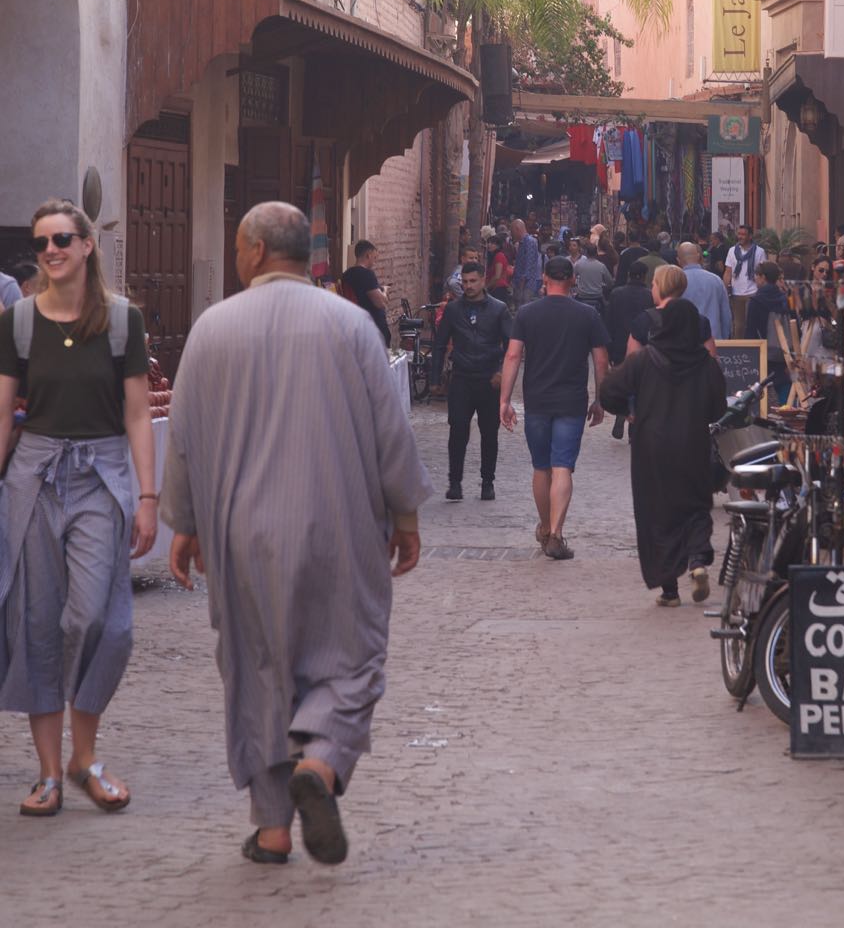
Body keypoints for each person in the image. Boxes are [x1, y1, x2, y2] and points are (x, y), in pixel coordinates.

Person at [162, 202, 431, 867]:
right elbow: (390, 430)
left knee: (256, 669)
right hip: (338, 523)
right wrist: (405, 514)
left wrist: (186, 525)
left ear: (252, 252)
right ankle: (323, 761)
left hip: (239, 532)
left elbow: (186, 441)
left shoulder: (211, 329)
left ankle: (273, 828)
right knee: (350, 656)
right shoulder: (349, 324)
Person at [0, 199, 157, 818]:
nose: (51, 251)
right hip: (33, 476)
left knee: (100, 620)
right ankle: (48, 773)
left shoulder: (122, 321)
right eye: (41, 243)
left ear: (88, 245)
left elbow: (138, 413)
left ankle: (83, 756)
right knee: (36, 621)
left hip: (101, 474)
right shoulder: (16, 321)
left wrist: (147, 496)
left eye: (63, 238)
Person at [600, 298, 728, 607]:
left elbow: (608, 392)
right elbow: (718, 408)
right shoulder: (706, 364)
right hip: (693, 445)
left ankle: (669, 590)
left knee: (658, 513)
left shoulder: (643, 360)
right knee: (696, 505)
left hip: (651, 447)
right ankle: (697, 558)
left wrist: (630, 410)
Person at [499, 256, 609, 560]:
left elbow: (512, 357)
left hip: (537, 399)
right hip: (572, 401)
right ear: (573, 279)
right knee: (562, 466)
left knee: (541, 466)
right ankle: (557, 534)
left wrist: (504, 400)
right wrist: (601, 399)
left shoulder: (527, 313)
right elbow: (601, 361)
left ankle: (546, 527)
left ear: (544, 278)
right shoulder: (588, 315)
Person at [431, 260, 512, 502]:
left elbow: (512, 346)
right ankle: (454, 482)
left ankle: (488, 482)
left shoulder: (499, 309)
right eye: (465, 282)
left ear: (483, 280)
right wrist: (435, 378)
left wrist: (502, 372)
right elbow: (439, 344)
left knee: (489, 433)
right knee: (457, 429)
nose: (468, 286)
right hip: (462, 378)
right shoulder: (454, 310)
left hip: (489, 379)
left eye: (473, 281)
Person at [627, 265, 717, 357]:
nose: (652, 289)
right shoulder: (700, 321)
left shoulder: (643, 321)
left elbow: (632, 362)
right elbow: (712, 361)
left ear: (660, 286)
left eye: (653, 285)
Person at [745, 261, 793, 404]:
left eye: (757, 276)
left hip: (764, 352)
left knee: (761, 391)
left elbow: (751, 331)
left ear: (763, 277)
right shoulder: (785, 298)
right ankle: (789, 415)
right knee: (785, 388)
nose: (755, 279)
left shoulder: (756, 301)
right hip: (785, 353)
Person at [677, 241, 732, 340]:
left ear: (678, 260)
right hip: (713, 339)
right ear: (698, 257)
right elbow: (725, 315)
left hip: (685, 342)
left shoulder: (676, 282)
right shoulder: (716, 280)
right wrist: (724, 340)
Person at [341, 240, 391, 346]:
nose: (374, 262)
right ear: (368, 255)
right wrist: (385, 290)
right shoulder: (367, 274)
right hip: (373, 328)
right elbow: (380, 303)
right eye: (374, 258)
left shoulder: (346, 274)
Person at [605, 262, 653, 366]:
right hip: (642, 348)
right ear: (645, 276)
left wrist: (609, 350)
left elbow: (609, 322)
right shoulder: (650, 296)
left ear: (628, 274)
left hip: (619, 346)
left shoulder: (616, 294)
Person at [724, 224, 767, 337]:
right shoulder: (732, 251)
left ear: (750, 236)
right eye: (739, 234)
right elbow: (728, 272)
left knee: (751, 324)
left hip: (753, 293)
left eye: (743, 234)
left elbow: (763, 273)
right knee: (738, 325)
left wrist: (761, 291)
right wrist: (724, 289)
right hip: (736, 293)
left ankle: (751, 350)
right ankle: (737, 350)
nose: (740, 237)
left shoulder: (759, 252)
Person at [572, 241, 614, 313]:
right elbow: (610, 282)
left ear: (586, 253)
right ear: (596, 253)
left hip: (582, 296)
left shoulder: (578, 264)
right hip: (598, 297)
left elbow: (572, 279)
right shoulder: (601, 266)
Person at [510, 218, 542, 308]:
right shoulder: (521, 244)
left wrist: (522, 283)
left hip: (525, 286)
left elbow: (529, 266)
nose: (511, 234)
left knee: (523, 309)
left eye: (512, 231)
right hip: (519, 284)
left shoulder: (530, 242)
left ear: (517, 229)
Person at [485, 233, 511, 304]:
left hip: (498, 289)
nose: (489, 245)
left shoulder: (499, 256)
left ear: (498, 246)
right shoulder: (493, 256)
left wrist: (486, 287)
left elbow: (497, 276)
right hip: (495, 288)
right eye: (488, 243)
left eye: (492, 243)